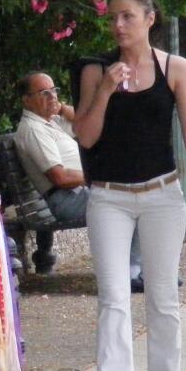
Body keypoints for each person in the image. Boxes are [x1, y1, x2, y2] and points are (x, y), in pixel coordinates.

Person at [73, 0, 186, 371]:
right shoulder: (96, 70)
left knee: (163, 301)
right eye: (112, 17)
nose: (118, 26)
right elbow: (87, 137)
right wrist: (107, 90)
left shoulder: (175, 68)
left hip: (162, 194)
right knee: (113, 298)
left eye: (127, 17)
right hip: (110, 195)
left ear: (150, 18)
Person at [13, 71, 143, 286]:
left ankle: (142, 269)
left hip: (78, 192)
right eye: (44, 93)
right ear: (26, 100)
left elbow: (84, 121)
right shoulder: (33, 130)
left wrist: (62, 108)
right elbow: (60, 177)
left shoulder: (49, 122)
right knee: (132, 202)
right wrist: (99, 176)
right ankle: (133, 272)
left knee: (140, 194)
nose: (52, 97)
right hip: (66, 199)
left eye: (54, 91)